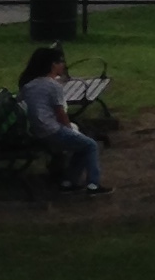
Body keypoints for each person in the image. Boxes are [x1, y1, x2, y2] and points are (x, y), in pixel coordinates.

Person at [18, 45, 103, 192]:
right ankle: (93, 184)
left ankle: (68, 182)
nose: (63, 65)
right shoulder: (53, 86)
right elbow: (60, 113)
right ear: (53, 65)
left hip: (38, 130)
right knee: (90, 145)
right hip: (51, 131)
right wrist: (69, 129)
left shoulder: (30, 85)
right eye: (60, 62)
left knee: (82, 145)